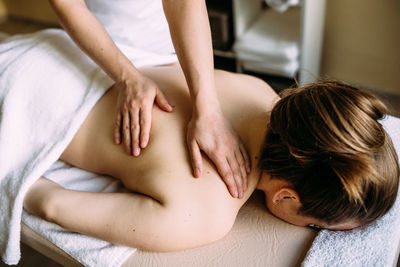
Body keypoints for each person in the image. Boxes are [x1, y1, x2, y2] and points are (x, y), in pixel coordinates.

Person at [24, 66, 399, 251]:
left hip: (51, 55)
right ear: (287, 198)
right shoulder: (204, 216)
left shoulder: (257, 90)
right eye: (316, 226)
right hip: (23, 105)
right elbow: (52, 203)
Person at [48, 0, 250, 199]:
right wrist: (128, 78)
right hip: (100, 46)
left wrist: (208, 109)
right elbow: (67, 3)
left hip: (173, 49)